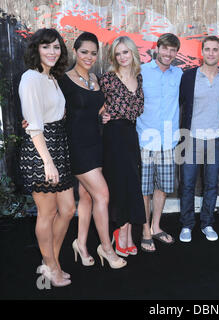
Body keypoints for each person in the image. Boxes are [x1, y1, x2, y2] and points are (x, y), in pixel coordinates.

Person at [59, 32, 126, 268]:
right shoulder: (64, 80)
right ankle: (106, 248)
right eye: (84, 52)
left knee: (87, 196)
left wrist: (103, 114)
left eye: (93, 53)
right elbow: (55, 110)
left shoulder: (96, 79)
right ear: (75, 52)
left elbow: (94, 109)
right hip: (76, 148)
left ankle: (81, 243)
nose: (89, 56)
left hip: (96, 144)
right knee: (102, 195)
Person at [19, 28, 75, 287]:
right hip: (42, 151)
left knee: (68, 209)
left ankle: (51, 260)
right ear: (36, 50)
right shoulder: (30, 78)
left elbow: (49, 113)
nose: (52, 52)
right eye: (46, 47)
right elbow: (34, 127)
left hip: (58, 144)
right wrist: (48, 161)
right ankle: (51, 266)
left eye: (56, 47)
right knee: (48, 212)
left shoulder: (51, 77)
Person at [178, 36, 219, 242]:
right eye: (207, 49)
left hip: (216, 139)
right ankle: (186, 225)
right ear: (202, 52)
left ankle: (207, 223)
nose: (211, 53)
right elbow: (180, 103)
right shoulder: (190, 77)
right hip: (191, 138)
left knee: (211, 184)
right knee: (188, 184)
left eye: (215, 49)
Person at [99, 36, 147, 256]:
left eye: (125, 52)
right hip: (113, 136)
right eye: (118, 54)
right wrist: (103, 114)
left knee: (131, 184)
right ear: (113, 57)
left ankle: (126, 233)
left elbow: (137, 110)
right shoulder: (108, 79)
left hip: (130, 135)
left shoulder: (139, 77)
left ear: (132, 53)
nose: (122, 57)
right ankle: (120, 233)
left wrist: (116, 110)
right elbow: (96, 107)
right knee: (118, 185)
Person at [136, 33, 182, 251]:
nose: (168, 54)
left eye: (173, 50)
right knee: (144, 189)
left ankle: (156, 226)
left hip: (168, 141)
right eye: (165, 49)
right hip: (145, 139)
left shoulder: (179, 74)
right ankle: (145, 230)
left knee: (162, 188)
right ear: (157, 48)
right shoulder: (142, 72)